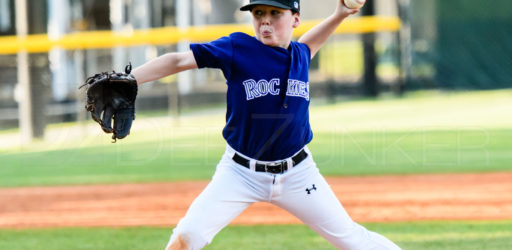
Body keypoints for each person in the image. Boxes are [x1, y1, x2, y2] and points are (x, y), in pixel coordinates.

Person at [131, 0, 402, 249]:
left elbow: (310, 44)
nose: (265, 21)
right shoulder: (238, 49)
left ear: (295, 19)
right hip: (239, 174)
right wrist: (129, 79)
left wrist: (340, 14)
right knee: (189, 235)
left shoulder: (300, 55)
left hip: (298, 173)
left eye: (275, 13)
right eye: (259, 13)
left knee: (352, 239)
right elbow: (178, 60)